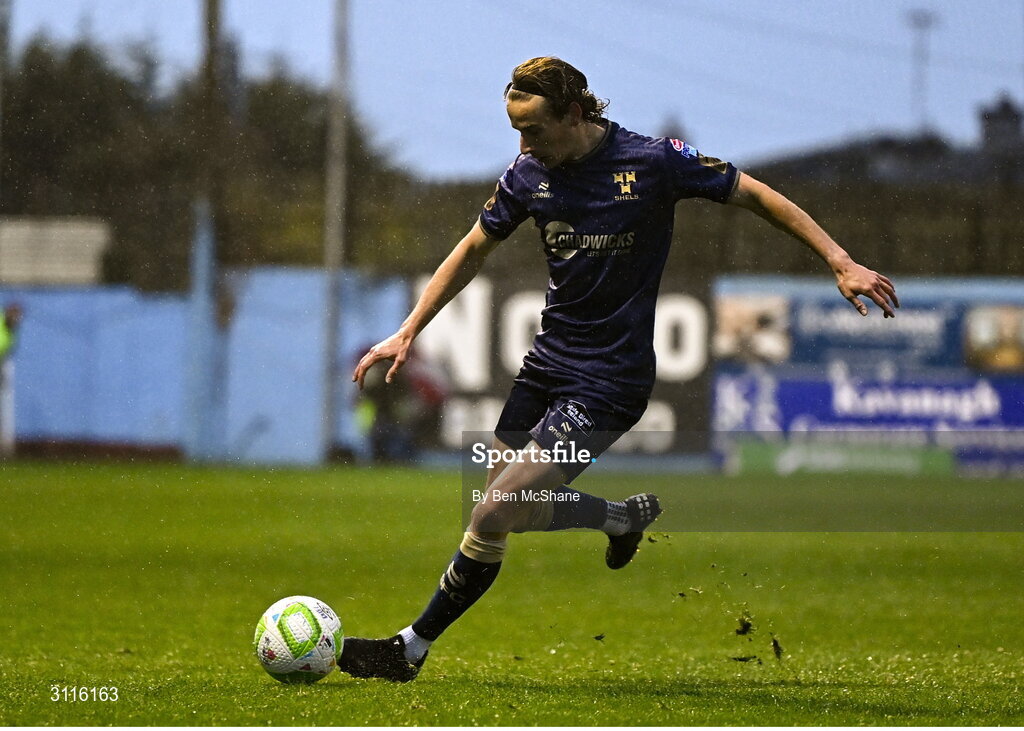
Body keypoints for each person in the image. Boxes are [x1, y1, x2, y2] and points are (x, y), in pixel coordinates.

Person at [341, 57, 898, 682]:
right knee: (505, 508)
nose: (522, 147)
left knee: (493, 510)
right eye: (515, 132)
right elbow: (472, 247)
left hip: (612, 379)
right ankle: (620, 518)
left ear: (576, 114)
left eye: (533, 131)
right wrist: (409, 329)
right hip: (546, 364)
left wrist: (840, 260)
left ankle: (409, 648)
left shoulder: (653, 161)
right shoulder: (529, 175)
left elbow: (755, 194)